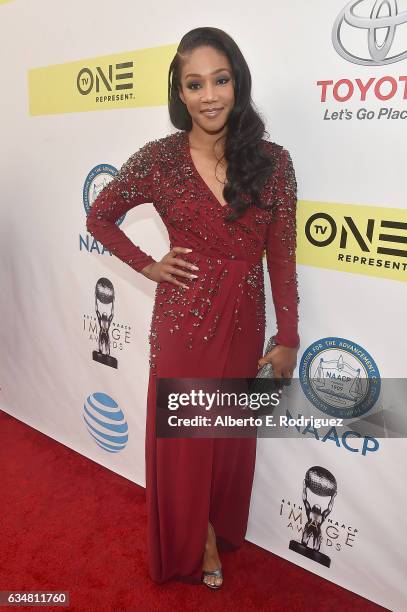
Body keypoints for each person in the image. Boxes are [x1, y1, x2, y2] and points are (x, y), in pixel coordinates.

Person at [86, 26, 300, 589]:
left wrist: (289, 336)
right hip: (184, 319)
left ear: (238, 83)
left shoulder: (274, 163)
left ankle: (219, 522)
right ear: (179, 94)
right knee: (186, 440)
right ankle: (198, 537)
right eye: (195, 83)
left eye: (220, 80)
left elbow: (282, 255)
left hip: (245, 316)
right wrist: (148, 264)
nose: (210, 95)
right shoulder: (157, 160)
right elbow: (99, 215)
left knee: (225, 435)